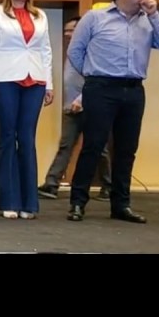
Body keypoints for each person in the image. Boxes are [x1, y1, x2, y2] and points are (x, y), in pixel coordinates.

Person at [66, 0, 159, 223]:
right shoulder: (95, 18)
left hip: (134, 89)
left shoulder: (147, 20)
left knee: (127, 149)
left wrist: (155, 15)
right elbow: (75, 51)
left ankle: (121, 205)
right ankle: (78, 202)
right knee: (93, 145)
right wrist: (92, 75)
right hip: (101, 87)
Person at [0, 0, 54, 220]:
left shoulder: (40, 15)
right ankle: (8, 200)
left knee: (27, 138)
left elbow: (46, 51)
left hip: (35, 80)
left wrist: (49, 84)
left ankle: (29, 203)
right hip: (5, 80)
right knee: (7, 137)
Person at [38, 16, 112, 201]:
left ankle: (109, 186)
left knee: (98, 147)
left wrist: (81, 99)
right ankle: (51, 184)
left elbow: (95, 79)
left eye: (71, 30)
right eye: (66, 30)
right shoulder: (72, 51)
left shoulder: (93, 51)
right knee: (66, 145)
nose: (67, 34)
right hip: (71, 108)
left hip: (91, 105)